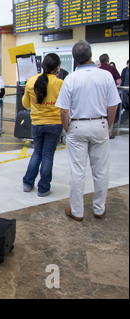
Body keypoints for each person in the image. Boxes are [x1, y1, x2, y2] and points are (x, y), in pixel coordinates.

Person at [55, 40, 121, 221]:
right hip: (100, 125)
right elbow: (113, 106)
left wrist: (68, 129)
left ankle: (77, 212)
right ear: (91, 55)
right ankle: (99, 209)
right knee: (100, 171)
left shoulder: (70, 79)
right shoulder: (106, 76)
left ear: (75, 59)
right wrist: (106, 127)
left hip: (77, 126)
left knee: (77, 171)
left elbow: (63, 110)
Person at [22, 53, 64, 197]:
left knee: (37, 153)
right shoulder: (60, 83)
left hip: (37, 123)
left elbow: (25, 103)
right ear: (57, 67)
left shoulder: (31, 81)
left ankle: (27, 183)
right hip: (54, 124)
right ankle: (43, 188)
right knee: (47, 155)